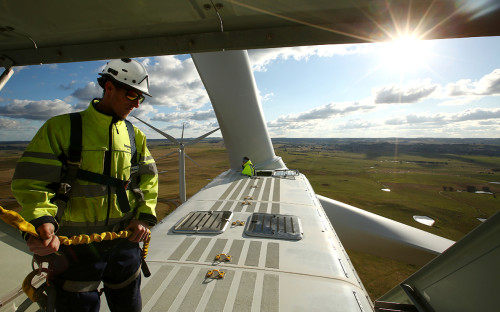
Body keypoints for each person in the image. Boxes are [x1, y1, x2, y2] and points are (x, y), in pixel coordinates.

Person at [11, 58, 158, 312]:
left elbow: (148, 180)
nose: (137, 103)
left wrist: (144, 217)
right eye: (132, 94)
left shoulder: (136, 135)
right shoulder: (61, 128)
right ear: (109, 88)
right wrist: (40, 221)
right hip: (74, 249)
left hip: (124, 243)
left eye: (141, 98)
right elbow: (31, 182)